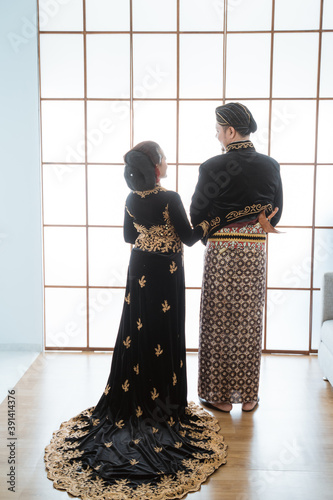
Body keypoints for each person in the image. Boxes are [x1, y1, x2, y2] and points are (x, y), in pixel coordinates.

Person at [45, 141, 227, 499]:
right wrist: (212, 221)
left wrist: (151, 234)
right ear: (157, 166)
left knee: (137, 332)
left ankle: (135, 398)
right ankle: (164, 403)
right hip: (166, 272)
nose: (167, 161)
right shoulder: (170, 198)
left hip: (139, 268)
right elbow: (190, 239)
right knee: (164, 332)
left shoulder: (131, 199)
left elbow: (129, 236)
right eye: (164, 157)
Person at [190, 103, 283, 413]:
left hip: (222, 251)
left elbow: (197, 213)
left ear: (230, 131)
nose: (217, 135)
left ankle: (218, 396)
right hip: (255, 250)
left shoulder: (212, 166)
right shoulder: (270, 165)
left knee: (217, 322)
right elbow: (277, 211)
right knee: (248, 322)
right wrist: (253, 226)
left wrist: (214, 228)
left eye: (218, 130)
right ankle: (248, 396)